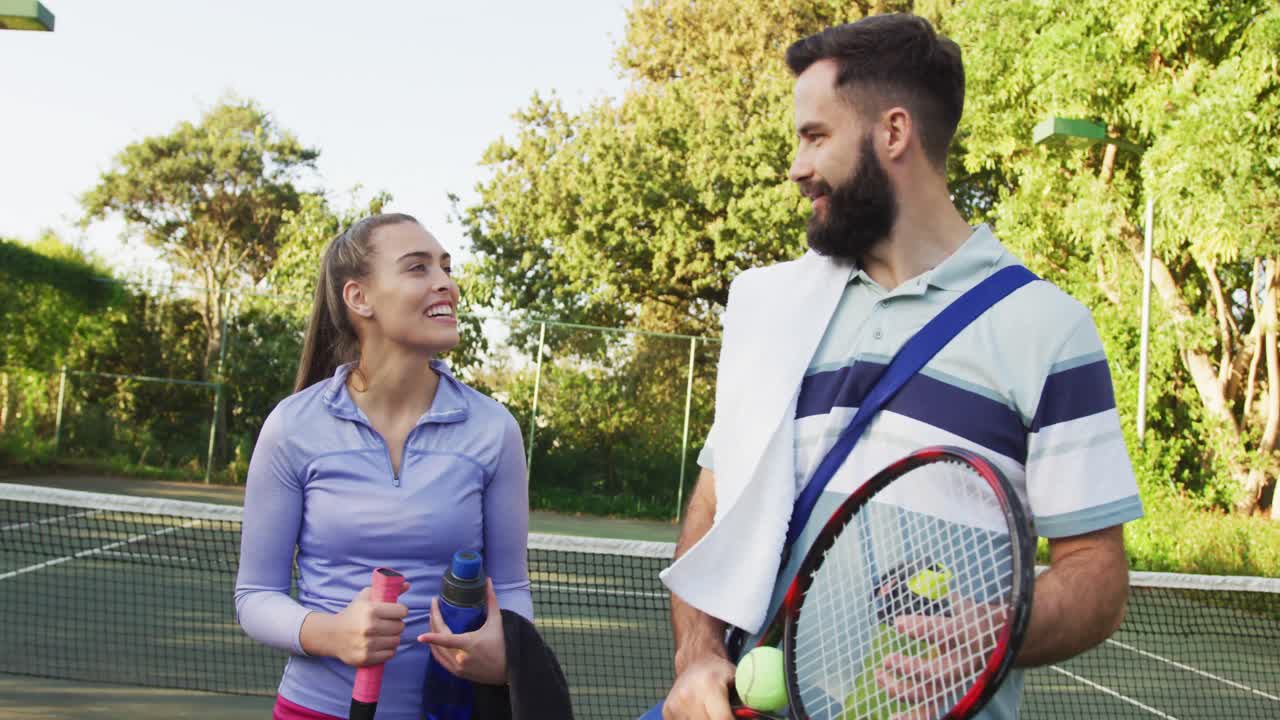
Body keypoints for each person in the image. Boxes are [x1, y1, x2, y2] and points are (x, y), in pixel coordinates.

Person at [657, 14, 1143, 720]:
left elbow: (1096, 578)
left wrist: (997, 630)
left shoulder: (1049, 329)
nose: (797, 168)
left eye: (815, 137)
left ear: (893, 133)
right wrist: (696, 655)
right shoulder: (771, 310)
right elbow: (712, 508)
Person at [234, 213, 532, 720]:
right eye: (417, 268)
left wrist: (505, 650)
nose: (446, 283)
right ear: (359, 298)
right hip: (315, 709)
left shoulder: (494, 429)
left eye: (445, 266)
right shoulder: (292, 427)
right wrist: (332, 634)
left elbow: (510, 589)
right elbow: (255, 596)